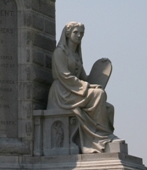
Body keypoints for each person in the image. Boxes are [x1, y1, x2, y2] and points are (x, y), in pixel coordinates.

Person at [47, 22, 116, 151]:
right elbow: (65, 76)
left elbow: (83, 78)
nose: (79, 36)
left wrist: (99, 76)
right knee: (99, 95)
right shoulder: (60, 53)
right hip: (62, 92)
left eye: (81, 33)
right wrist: (88, 86)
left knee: (108, 107)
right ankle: (100, 137)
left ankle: (104, 135)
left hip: (74, 90)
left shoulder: (76, 55)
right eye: (76, 32)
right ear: (68, 34)